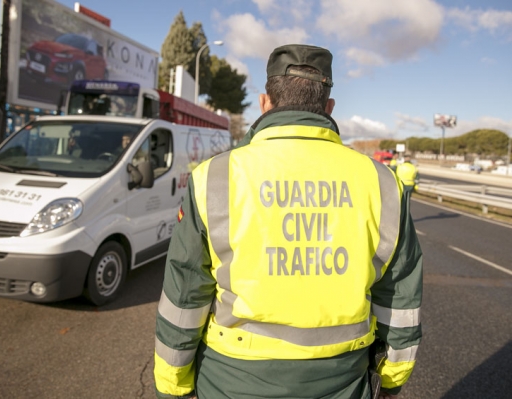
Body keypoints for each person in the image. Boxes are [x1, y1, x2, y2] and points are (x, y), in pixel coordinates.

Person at [154, 44, 423, 399]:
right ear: (329, 107)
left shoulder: (214, 177)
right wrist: (392, 379)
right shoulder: (384, 183)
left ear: (265, 102)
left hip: (230, 380)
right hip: (341, 380)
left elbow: (185, 294)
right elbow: (400, 297)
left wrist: (173, 386)